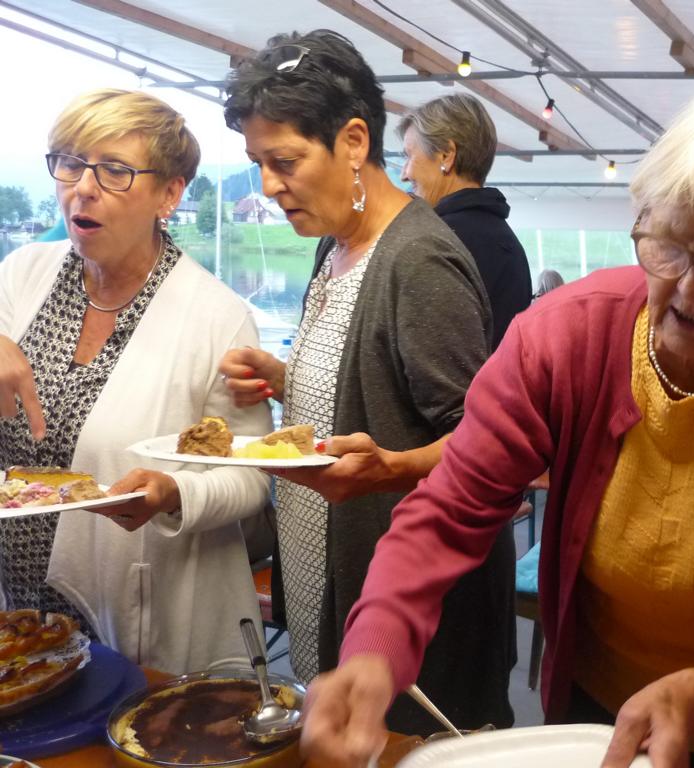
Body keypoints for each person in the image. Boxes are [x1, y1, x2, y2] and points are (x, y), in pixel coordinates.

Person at [302, 89, 694, 768]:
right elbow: (449, 510)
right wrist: (376, 646)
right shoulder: (564, 335)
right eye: (669, 246)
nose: (690, 290)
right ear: (641, 223)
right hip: (603, 721)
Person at [218, 30, 515, 734]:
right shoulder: (335, 240)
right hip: (328, 573)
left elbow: (490, 448)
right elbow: (374, 385)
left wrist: (393, 470)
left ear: (354, 142)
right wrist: (288, 378)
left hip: (410, 610)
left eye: (284, 161)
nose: (268, 185)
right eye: (258, 164)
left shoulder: (419, 261)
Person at [0, 89, 271, 673]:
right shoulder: (22, 276)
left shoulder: (216, 318)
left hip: (136, 606)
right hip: (18, 607)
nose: (83, 187)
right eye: (70, 163)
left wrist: (175, 493)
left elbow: (251, 475)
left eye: (115, 171)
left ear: (169, 194)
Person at [398, 94, 531, 349]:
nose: (404, 174)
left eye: (409, 156)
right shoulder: (508, 243)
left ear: (446, 155)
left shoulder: (437, 241)